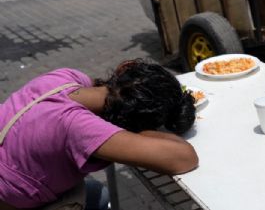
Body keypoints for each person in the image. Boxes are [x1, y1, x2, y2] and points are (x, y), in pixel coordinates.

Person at [0, 59, 198, 210]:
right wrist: (138, 127)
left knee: (96, 191)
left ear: (123, 68)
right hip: (9, 201)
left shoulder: (64, 77)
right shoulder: (79, 127)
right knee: (98, 196)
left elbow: (107, 91)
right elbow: (183, 158)